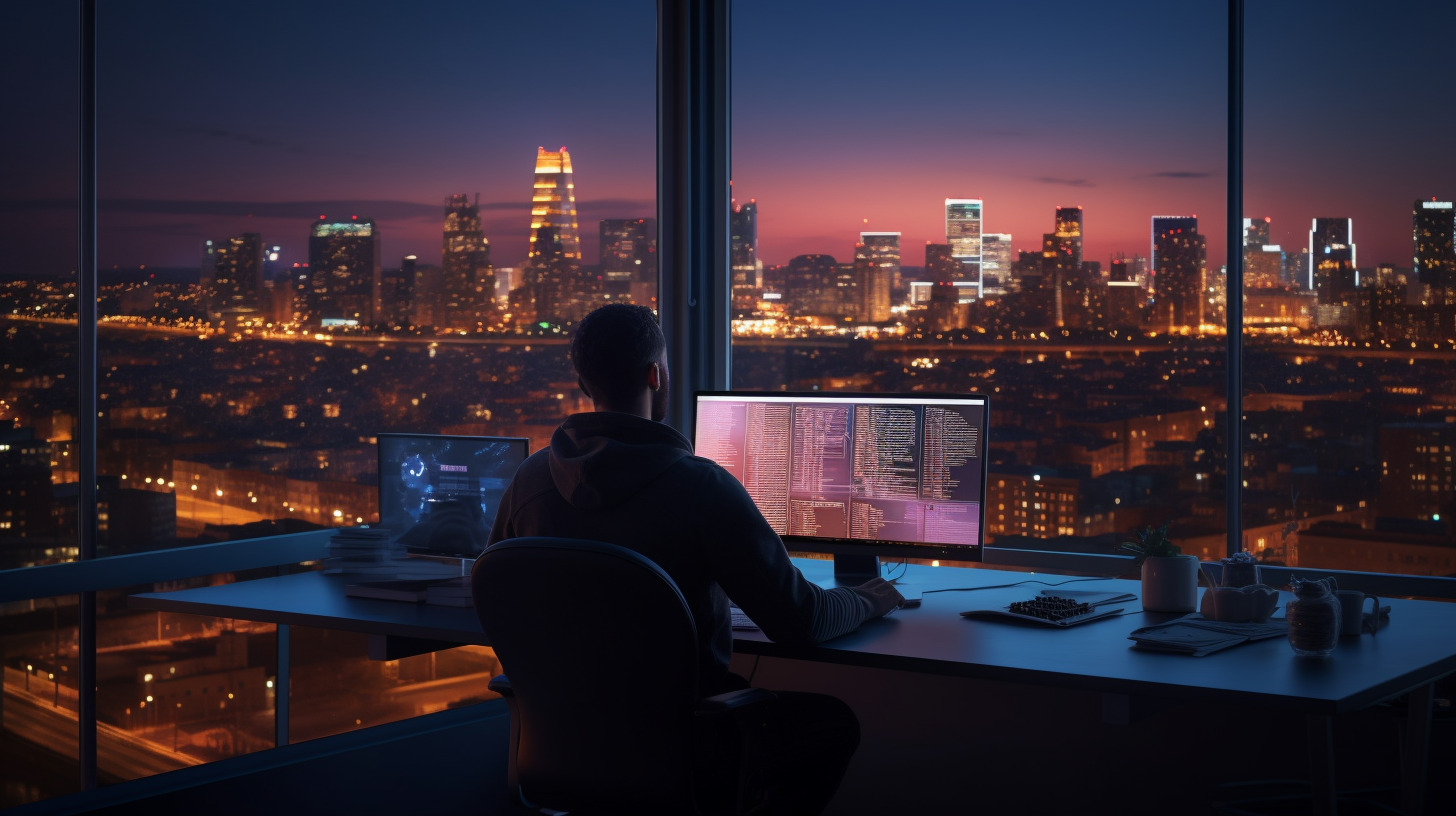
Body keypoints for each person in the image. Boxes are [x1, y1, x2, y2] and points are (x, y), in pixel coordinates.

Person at [483, 302, 903, 813]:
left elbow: (493, 596)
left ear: (582, 382)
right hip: (687, 741)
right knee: (833, 722)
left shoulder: (529, 481)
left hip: (561, 745)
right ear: (655, 375)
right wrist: (871, 599)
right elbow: (804, 621)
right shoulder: (701, 487)